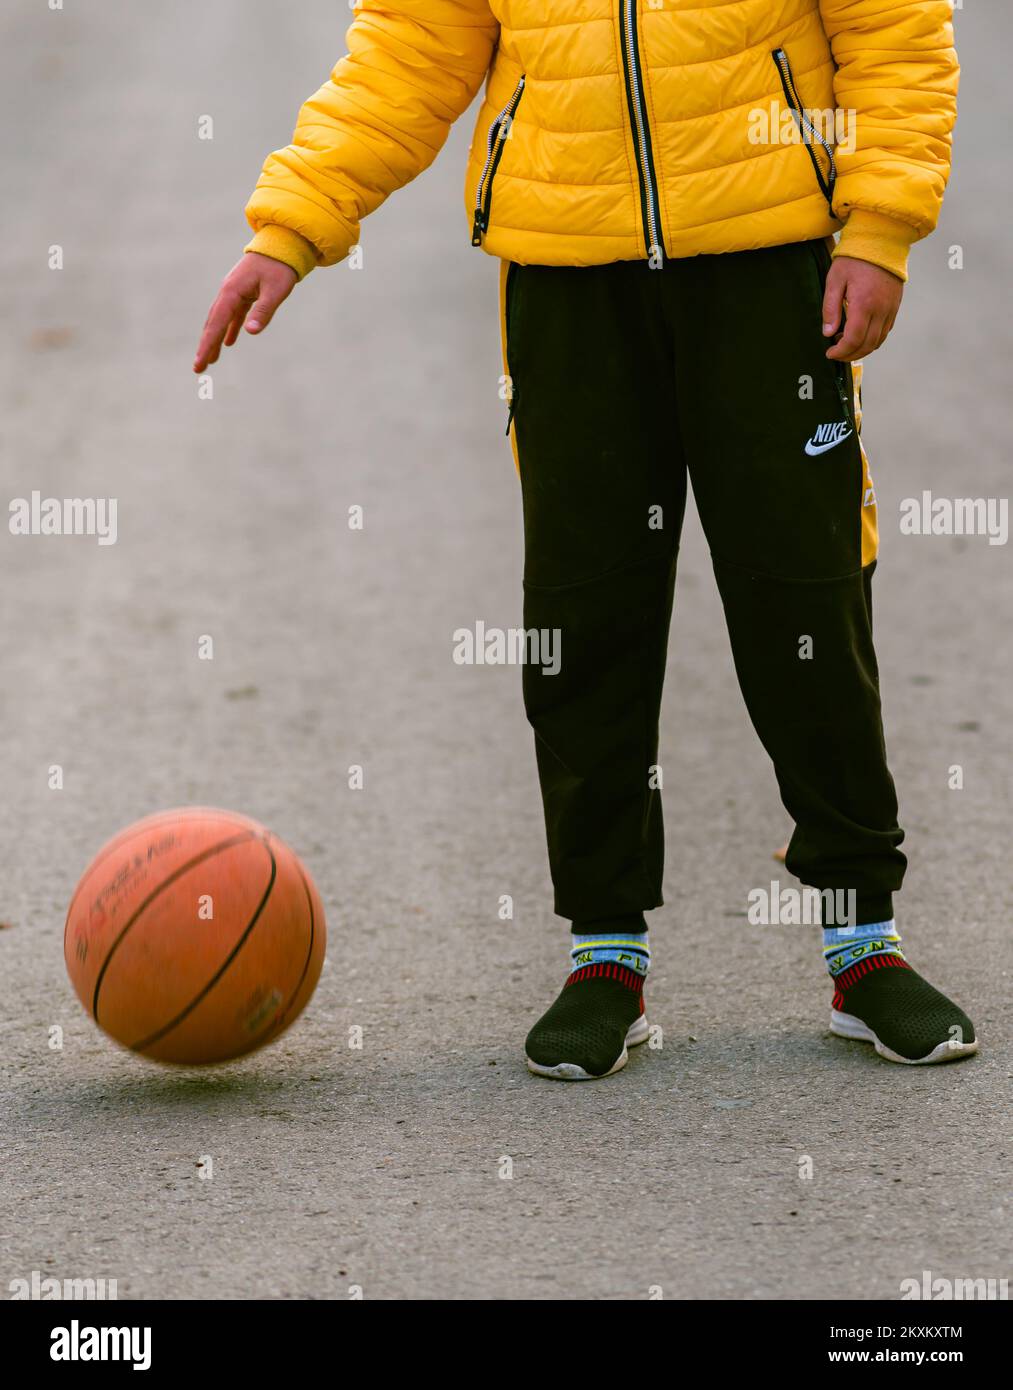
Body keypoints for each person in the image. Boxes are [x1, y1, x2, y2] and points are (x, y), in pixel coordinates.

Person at [194, 0, 977, 1079]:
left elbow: (892, 35)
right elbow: (407, 55)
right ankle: (603, 949)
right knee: (583, 616)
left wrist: (879, 228)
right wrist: (289, 227)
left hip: (767, 265)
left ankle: (862, 943)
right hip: (565, 280)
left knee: (804, 604)